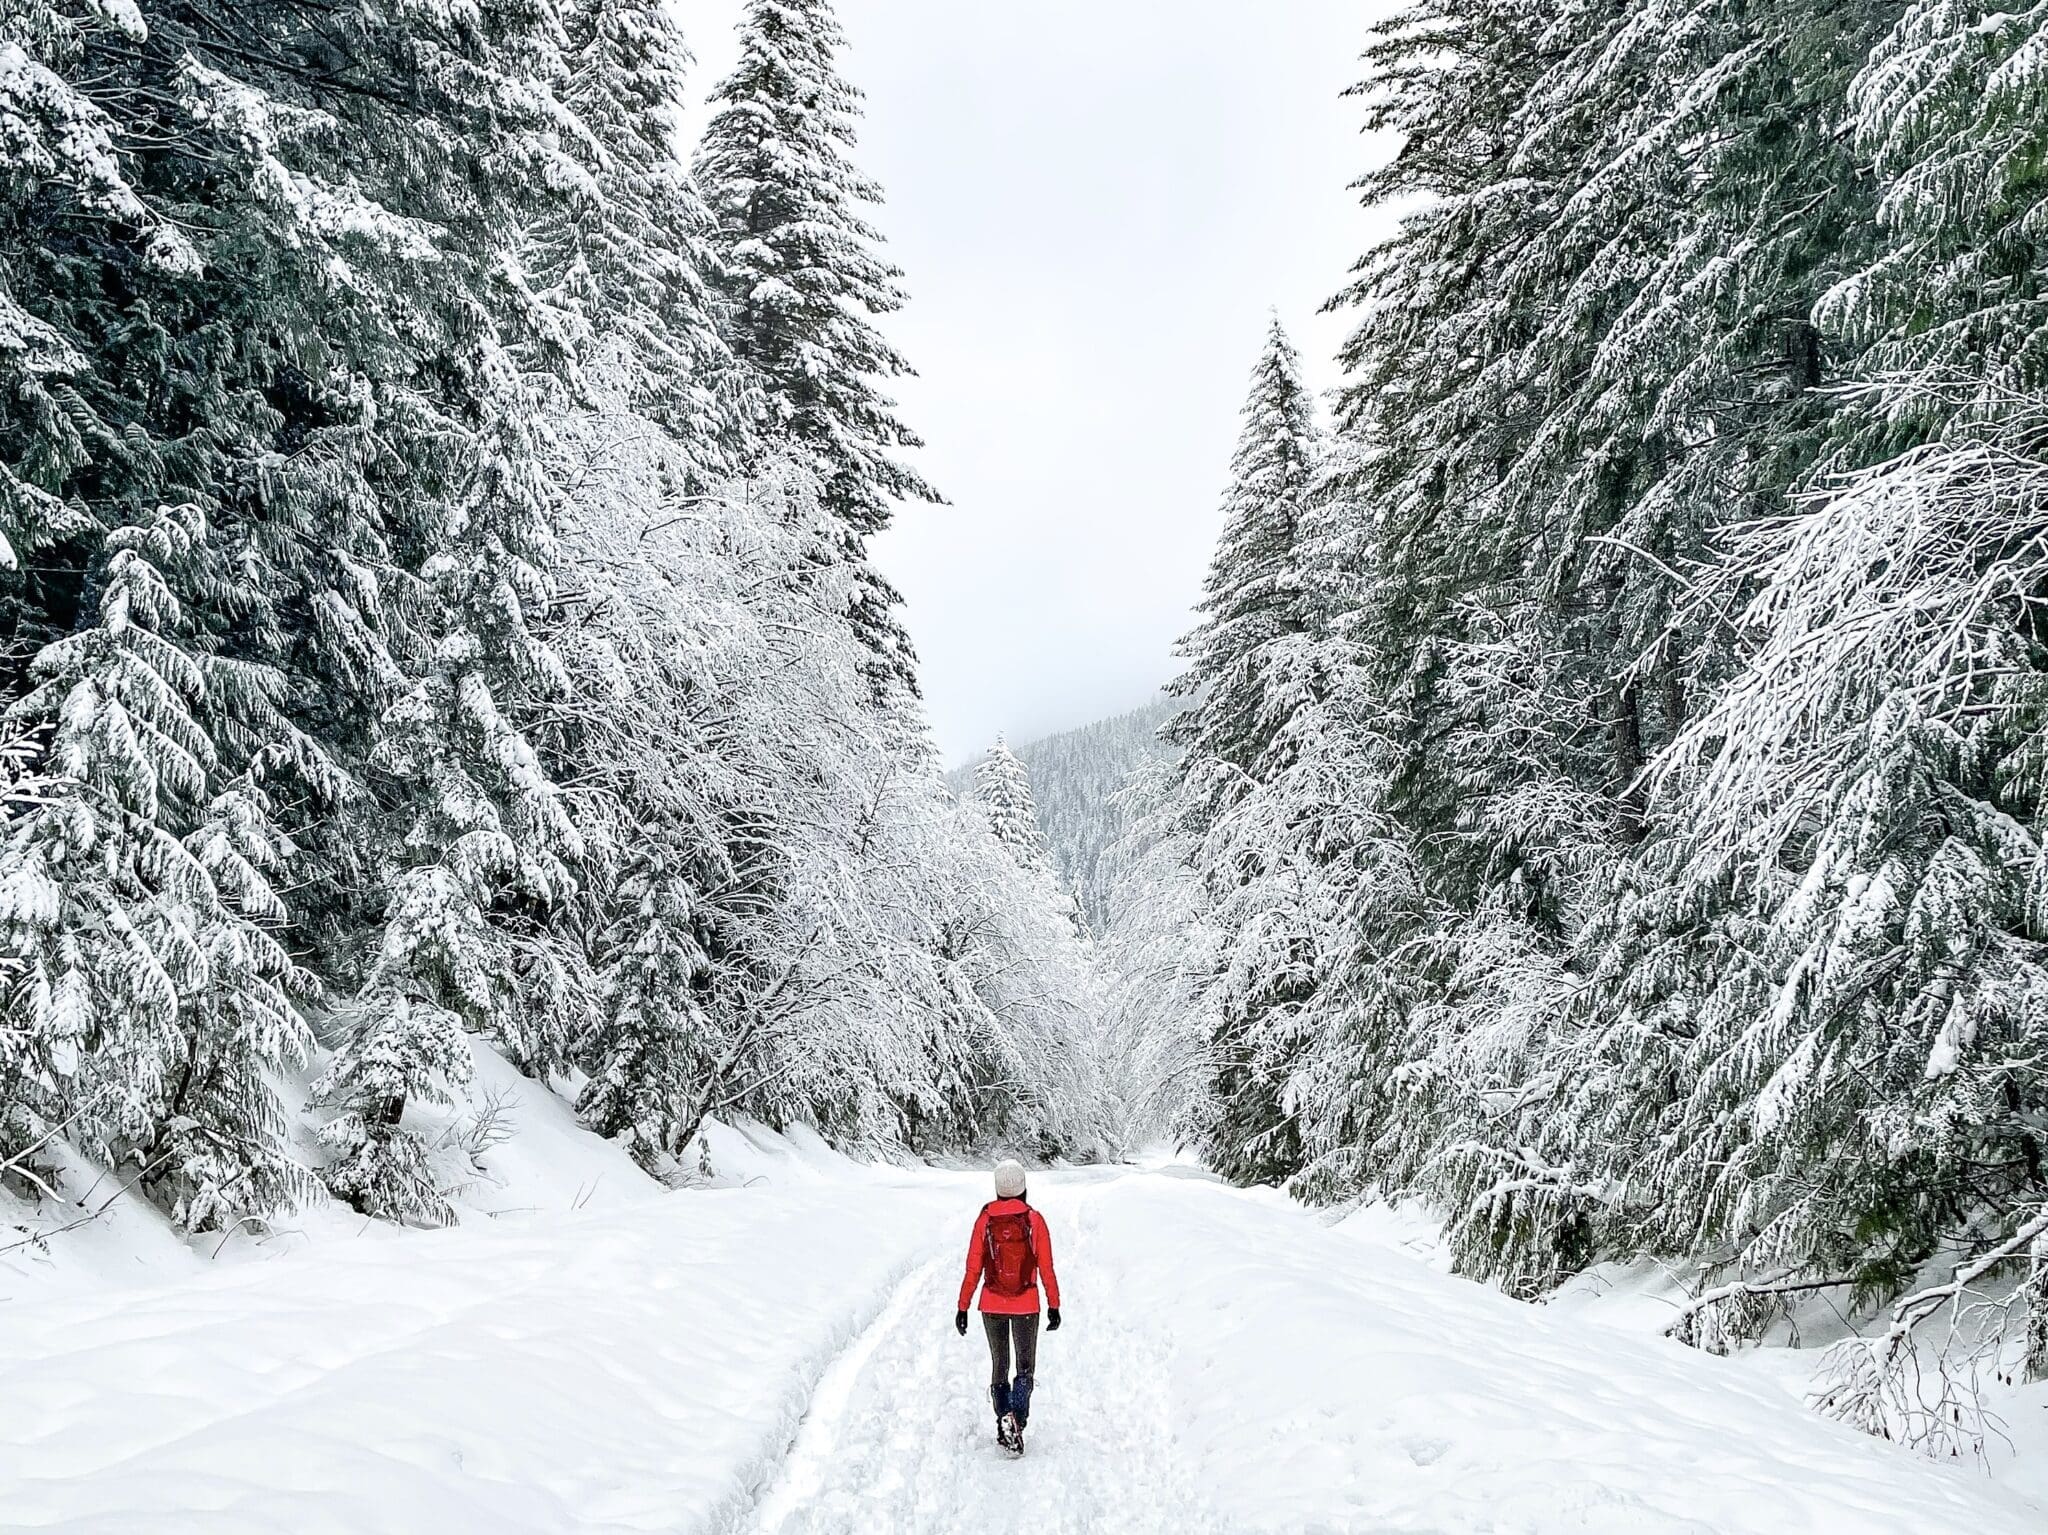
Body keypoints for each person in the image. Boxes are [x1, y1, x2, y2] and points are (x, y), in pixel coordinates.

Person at [954, 1158, 1061, 1452]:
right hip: (1026, 1305)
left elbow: (973, 1267)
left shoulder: (985, 1219)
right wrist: (1054, 1304)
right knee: (1024, 1367)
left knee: (999, 1365)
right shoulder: (1034, 1220)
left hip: (991, 1304)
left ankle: (1003, 1417)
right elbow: (1047, 1267)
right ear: (1024, 1188)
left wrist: (963, 1306)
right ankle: (1017, 1418)